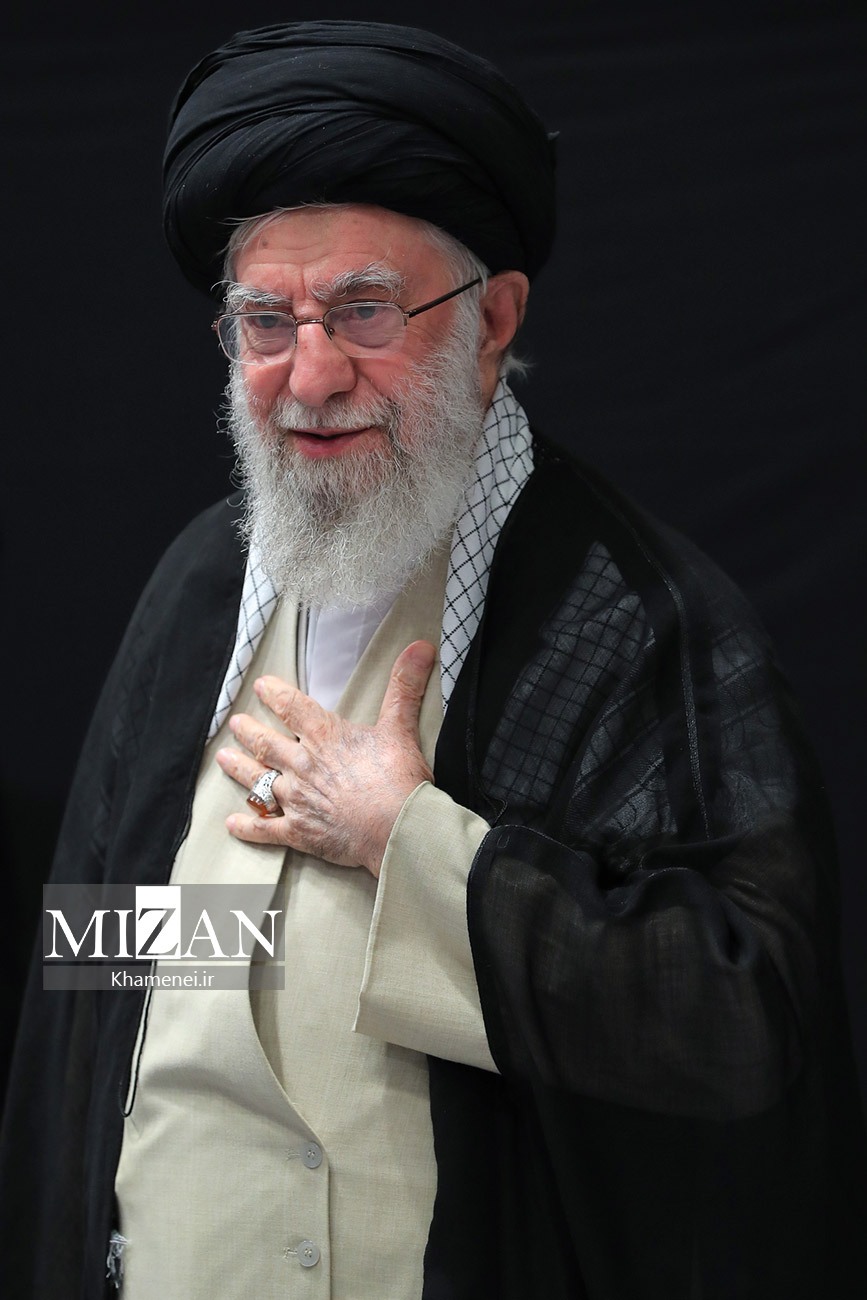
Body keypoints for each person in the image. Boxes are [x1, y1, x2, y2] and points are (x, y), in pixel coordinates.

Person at [1, 20, 865, 1300]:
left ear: (494, 318)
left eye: (364, 310)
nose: (311, 374)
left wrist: (406, 840)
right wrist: (242, 943)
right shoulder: (194, 588)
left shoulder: (630, 615)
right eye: (266, 321)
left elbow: (743, 1024)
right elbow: (91, 978)